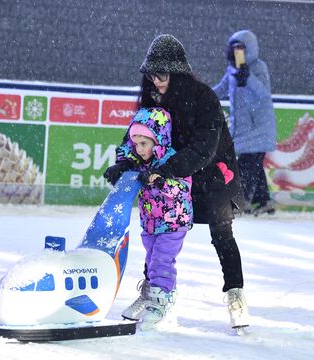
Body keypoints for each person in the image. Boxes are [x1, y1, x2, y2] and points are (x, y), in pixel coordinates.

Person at [104, 34, 249, 329]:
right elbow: (136, 135)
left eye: (162, 75)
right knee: (157, 233)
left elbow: (204, 148)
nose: (156, 81)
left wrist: (168, 168)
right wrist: (124, 161)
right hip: (168, 180)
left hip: (212, 175)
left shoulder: (204, 98)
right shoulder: (152, 98)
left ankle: (235, 293)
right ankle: (154, 291)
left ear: (178, 73)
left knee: (222, 233)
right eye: (151, 75)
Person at [109, 107, 193, 330]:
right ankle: (156, 294)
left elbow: (183, 188)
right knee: (151, 261)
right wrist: (120, 170)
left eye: (143, 143)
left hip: (173, 222)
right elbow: (128, 163)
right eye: (135, 143)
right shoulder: (141, 161)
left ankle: (159, 302)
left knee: (161, 261)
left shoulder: (172, 160)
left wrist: (160, 181)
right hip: (150, 222)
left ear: (157, 140)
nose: (139, 148)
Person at [213, 30, 277, 216]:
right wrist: (201, 94)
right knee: (253, 167)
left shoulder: (259, 68)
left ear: (250, 49)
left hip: (259, 127)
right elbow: (221, 89)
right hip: (243, 129)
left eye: (241, 48)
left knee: (245, 167)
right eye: (234, 48)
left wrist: (247, 77)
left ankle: (241, 203)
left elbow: (264, 93)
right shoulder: (232, 69)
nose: (237, 52)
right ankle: (264, 202)